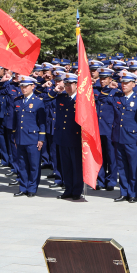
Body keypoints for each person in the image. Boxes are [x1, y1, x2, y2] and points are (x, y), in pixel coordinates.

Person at [112, 72, 137, 203]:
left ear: (133, 84)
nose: (124, 85)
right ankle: (124, 192)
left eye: (127, 83)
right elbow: (103, 98)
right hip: (119, 136)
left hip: (132, 138)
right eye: (122, 83)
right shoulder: (117, 97)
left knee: (133, 167)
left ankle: (133, 193)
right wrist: (110, 87)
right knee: (122, 167)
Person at [13, 76, 46, 197]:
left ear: (33, 86)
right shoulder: (17, 101)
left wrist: (41, 139)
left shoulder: (38, 101)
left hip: (33, 138)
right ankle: (23, 187)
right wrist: (15, 136)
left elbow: (42, 123)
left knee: (34, 165)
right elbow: (15, 121)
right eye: (22, 86)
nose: (23, 88)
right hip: (20, 137)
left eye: (26, 86)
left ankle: (32, 188)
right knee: (22, 165)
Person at [54, 73, 84, 201]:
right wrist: (54, 90)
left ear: (76, 85)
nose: (68, 87)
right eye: (65, 84)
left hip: (76, 137)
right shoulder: (61, 98)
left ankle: (77, 190)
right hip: (63, 136)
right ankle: (68, 189)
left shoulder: (82, 99)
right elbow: (45, 100)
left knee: (76, 166)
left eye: (70, 84)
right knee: (66, 165)